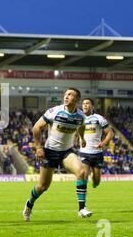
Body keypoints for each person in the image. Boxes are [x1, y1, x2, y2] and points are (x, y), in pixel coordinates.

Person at [23, 88, 91, 222]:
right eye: (65, 94)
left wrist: (82, 138)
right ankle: (29, 205)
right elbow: (36, 127)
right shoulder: (54, 111)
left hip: (67, 152)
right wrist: (38, 147)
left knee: (81, 172)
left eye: (70, 95)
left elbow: (81, 125)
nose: (66, 96)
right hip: (50, 152)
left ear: (77, 99)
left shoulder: (81, 116)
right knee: (43, 187)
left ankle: (82, 209)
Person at [79, 98, 114, 188]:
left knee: (96, 181)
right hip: (84, 152)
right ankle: (82, 200)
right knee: (83, 177)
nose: (85, 105)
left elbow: (110, 133)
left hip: (97, 153)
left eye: (87, 103)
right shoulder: (79, 118)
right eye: (83, 103)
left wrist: (104, 143)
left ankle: (95, 181)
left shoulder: (99, 118)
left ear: (92, 106)